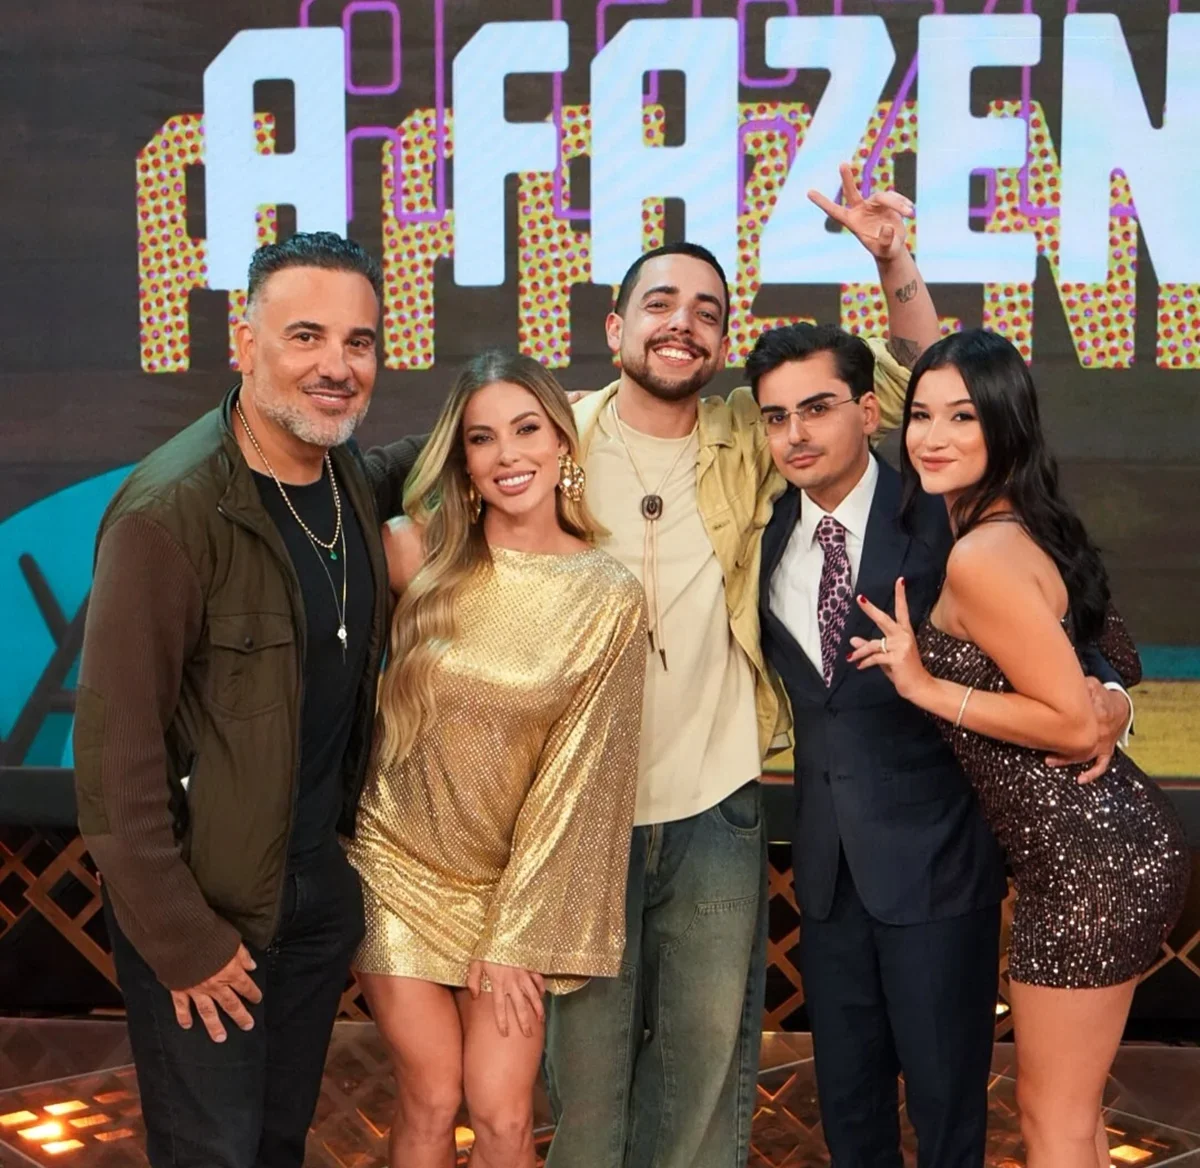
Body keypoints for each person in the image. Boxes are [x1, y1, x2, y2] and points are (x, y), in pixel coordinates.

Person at [541, 164, 935, 1168]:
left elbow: (930, 389)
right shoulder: (551, 438)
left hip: (716, 809)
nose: (683, 322)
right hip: (579, 816)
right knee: (586, 1098)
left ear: (721, 346)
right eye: (660, 304)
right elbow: (435, 507)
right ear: (615, 329)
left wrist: (892, 260)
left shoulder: (749, 433)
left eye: (707, 312)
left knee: (704, 1087)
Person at [751, 321, 1138, 1168]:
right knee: (849, 1114)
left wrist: (1109, 698)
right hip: (825, 873)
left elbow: (1080, 619)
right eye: (776, 417)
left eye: (817, 408)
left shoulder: (946, 510)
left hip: (940, 864)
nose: (796, 434)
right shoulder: (762, 531)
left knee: (949, 1115)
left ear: (867, 412)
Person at [73, 232, 421, 1168]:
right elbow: (112, 761)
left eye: (358, 342)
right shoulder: (169, 513)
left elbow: (417, 459)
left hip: (314, 896)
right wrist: (183, 939)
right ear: (246, 341)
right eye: (306, 336)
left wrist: (542, 417)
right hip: (208, 911)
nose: (336, 366)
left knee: (274, 1144)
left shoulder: (342, 475)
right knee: (212, 1152)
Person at [850, 328, 1190, 1168]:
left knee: (1053, 1117)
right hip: (1102, 848)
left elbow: (1071, 723)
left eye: (963, 417)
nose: (932, 437)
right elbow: (1120, 660)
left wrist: (927, 687)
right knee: (1069, 1113)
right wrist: (1109, 702)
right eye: (920, 415)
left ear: (1004, 424)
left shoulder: (982, 556)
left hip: (1086, 865)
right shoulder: (1023, 524)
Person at [345, 350, 647, 1168]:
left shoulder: (609, 595)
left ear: (562, 443)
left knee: (506, 1117)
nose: (508, 455)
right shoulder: (417, 554)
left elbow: (579, 782)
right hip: (394, 863)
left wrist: (516, 932)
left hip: (512, 888)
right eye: (482, 439)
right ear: (463, 459)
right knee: (432, 1094)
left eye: (527, 430)